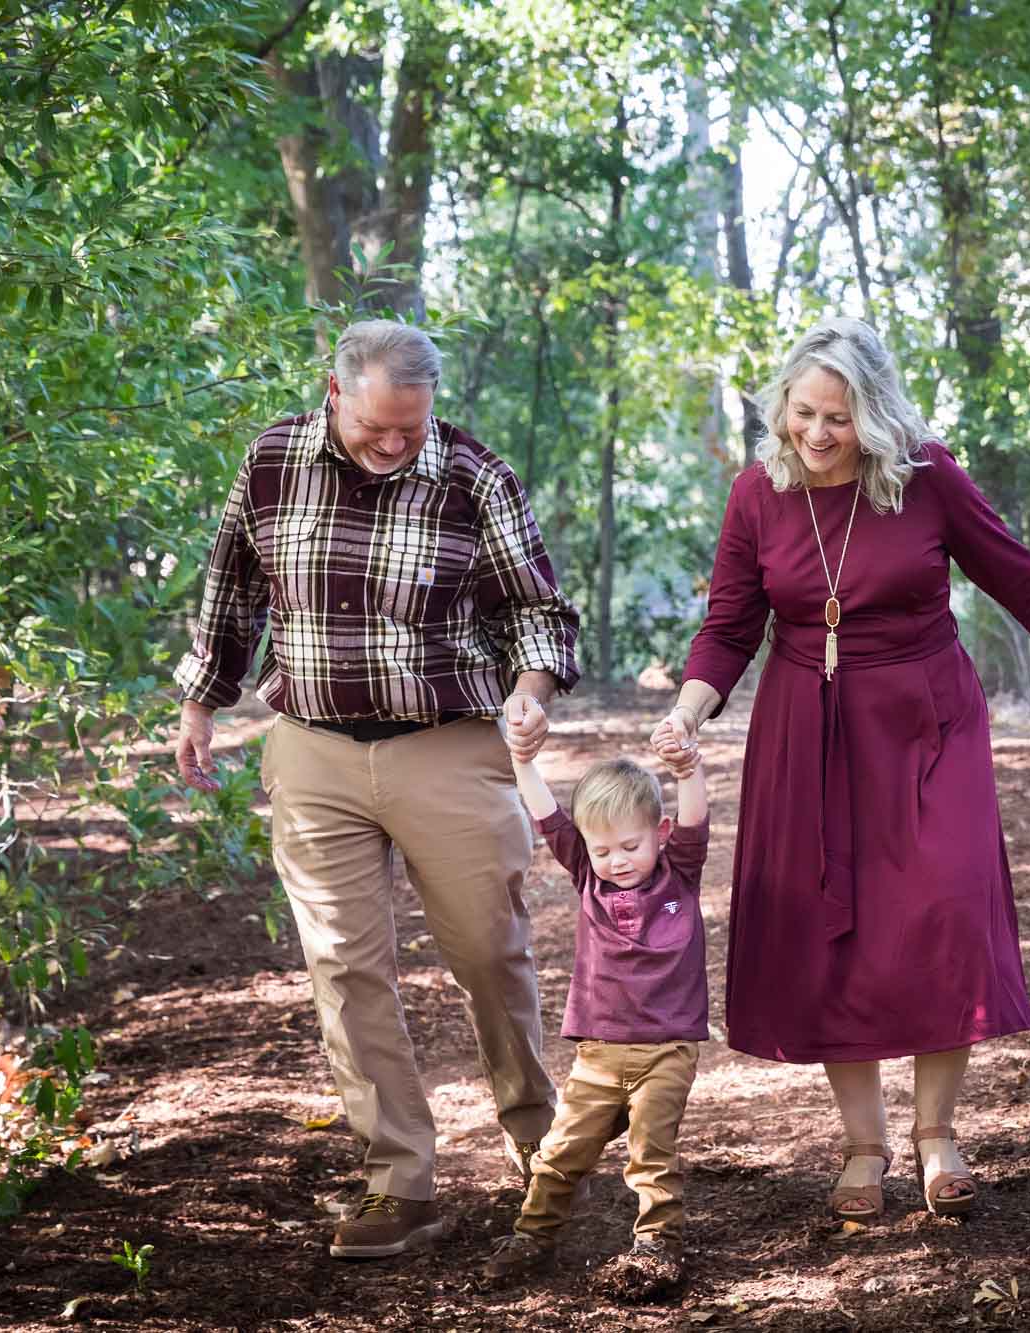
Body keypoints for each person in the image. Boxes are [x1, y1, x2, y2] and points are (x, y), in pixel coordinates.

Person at [650, 317, 1030, 1222]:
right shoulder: (758, 493)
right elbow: (728, 624)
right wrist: (687, 710)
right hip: (805, 726)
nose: (820, 435)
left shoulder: (924, 475)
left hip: (925, 719)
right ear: (781, 407)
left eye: (839, 417)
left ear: (873, 414)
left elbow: (1014, 571)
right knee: (837, 926)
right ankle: (863, 1145)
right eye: (804, 414)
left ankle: (936, 1134)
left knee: (945, 910)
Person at [173, 320, 581, 1259]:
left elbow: (537, 610)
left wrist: (529, 689)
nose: (394, 445)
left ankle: (540, 1145)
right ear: (335, 392)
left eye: (411, 427)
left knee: (488, 952)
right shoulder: (274, 459)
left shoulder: (475, 478)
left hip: (449, 743)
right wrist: (201, 701)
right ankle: (398, 1179)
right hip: (313, 750)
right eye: (374, 428)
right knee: (345, 969)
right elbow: (230, 587)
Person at [482, 723, 709, 1301]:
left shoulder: (678, 871)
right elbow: (549, 817)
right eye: (602, 849)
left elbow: (694, 820)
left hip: (667, 1049)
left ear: (658, 836)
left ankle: (657, 1244)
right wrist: (523, 761)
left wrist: (686, 772)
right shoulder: (588, 876)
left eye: (631, 846)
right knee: (560, 1154)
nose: (617, 860)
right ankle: (533, 1236)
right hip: (599, 1054)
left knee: (651, 1155)